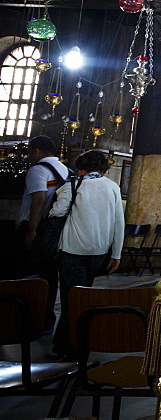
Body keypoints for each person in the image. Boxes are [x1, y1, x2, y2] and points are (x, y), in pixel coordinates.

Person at [49, 150, 124, 357]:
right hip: (99, 251)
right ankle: (71, 342)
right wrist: (116, 253)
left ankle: (70, 346)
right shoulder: (112, 187)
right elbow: (119, 221)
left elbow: (56, 212)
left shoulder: (74, 185)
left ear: (81, 167)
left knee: (70, 298)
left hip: (73, 249)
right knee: (83, 295)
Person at [18, 135, 70, 332]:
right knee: (48, 277)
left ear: (37, 151)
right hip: (54, 231)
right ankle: (46, 321)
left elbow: (38, 199)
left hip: (37, 227)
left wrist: (31, 229)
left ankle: (26, 321)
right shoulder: (65, 170)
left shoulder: (38, 169)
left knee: (27, 276)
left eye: (30, 152)